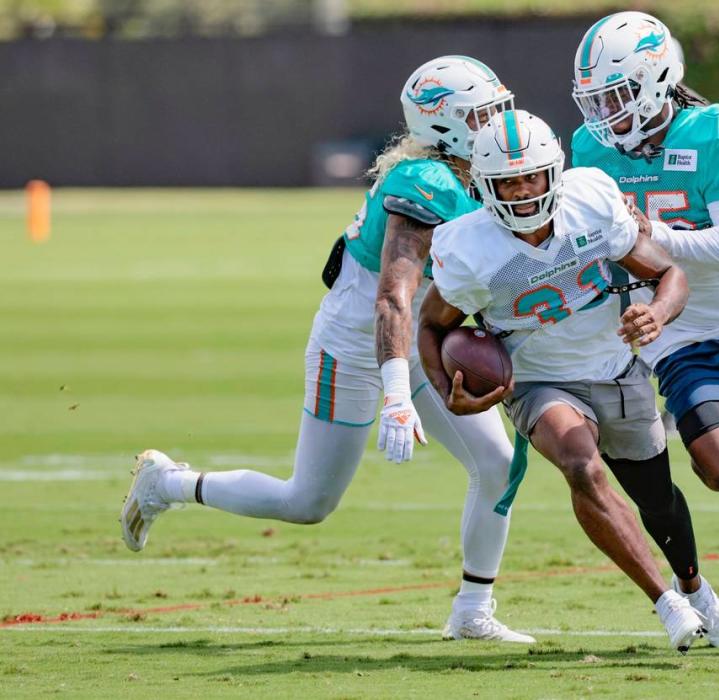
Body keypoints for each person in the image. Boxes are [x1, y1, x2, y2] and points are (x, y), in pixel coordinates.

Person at [120, 56, 535, 643]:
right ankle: (169, 483)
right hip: (358, 342)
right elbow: (393, 298)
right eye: (483, 113)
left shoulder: (484, 174)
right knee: (309, 501)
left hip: (426, 338)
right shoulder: (429, 182)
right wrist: (396, 393)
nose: (499, 122)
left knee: (498, 464)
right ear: (445, 126)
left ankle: (472, 610)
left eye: (499, 106)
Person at [418, 108, 719, 652]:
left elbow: (669, 273)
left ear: (555, 171)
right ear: (483, 185)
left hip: (615, 365)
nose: (522, 191)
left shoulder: (591, 200)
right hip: (536, 379)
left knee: (658, 499)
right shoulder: (468, 247)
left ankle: (695, 589)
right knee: (579, 462)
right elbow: (431, 325)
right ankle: (666, 604)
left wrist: (658, 313)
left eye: (530, 176)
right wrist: (449, 392)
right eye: (506, 181)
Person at [570, 12, 719, 655]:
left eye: (617, 96)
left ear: (658, 81)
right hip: (678, 330)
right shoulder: (590, 149)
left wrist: (649, 237)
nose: (605, 114)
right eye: (594, 99)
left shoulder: (718, 131)